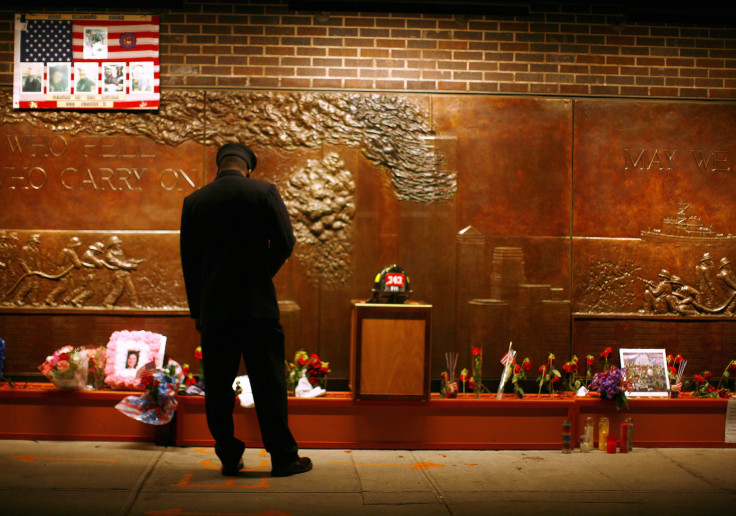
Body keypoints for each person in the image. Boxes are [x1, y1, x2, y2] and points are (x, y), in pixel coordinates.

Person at [179, 142, 311, 477]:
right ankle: (283, 457)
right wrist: (260, 274)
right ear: (247, 167)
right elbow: (286, 241)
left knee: (218, 386)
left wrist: (199, 310)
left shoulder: (194, 202)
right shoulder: (264, 192)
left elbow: (190, 264)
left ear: (219, 167)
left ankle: (228, 454)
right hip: (257, 308)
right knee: (268, 382)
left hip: (215, 310)